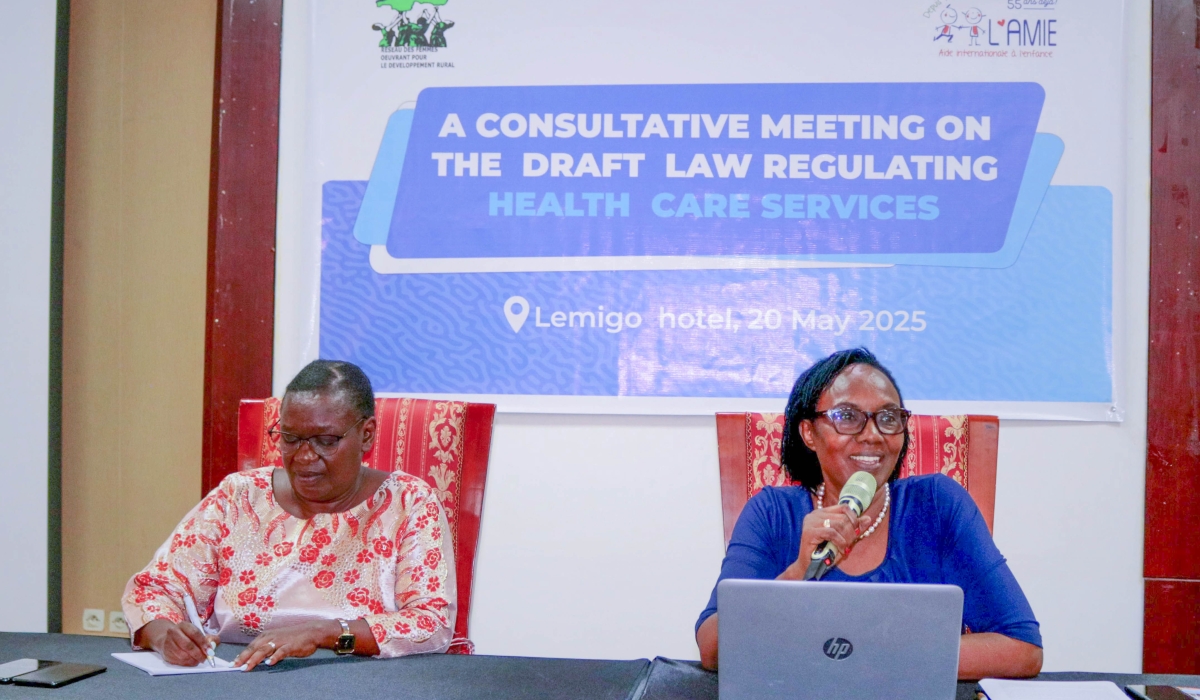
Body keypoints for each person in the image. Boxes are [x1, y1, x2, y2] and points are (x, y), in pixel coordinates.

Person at [695, 348, 1042, 679]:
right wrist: (798, 573)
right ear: (808, 433)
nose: (873, 435)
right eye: (847, 417)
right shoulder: (772, 513)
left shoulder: (938, 505)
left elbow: (1021, 647)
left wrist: (867, 656)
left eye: (889, 418)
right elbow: (713, 648)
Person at [122, 360, 455, 669]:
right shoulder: (239, 496)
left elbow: (430, 622)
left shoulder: (408, 503)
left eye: (325, 440)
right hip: (237, 677)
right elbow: (156, 589)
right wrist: (166, 635)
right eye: (291, 438)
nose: (304, 456)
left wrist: (320, 633)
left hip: (358, 680)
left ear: (366, 434)